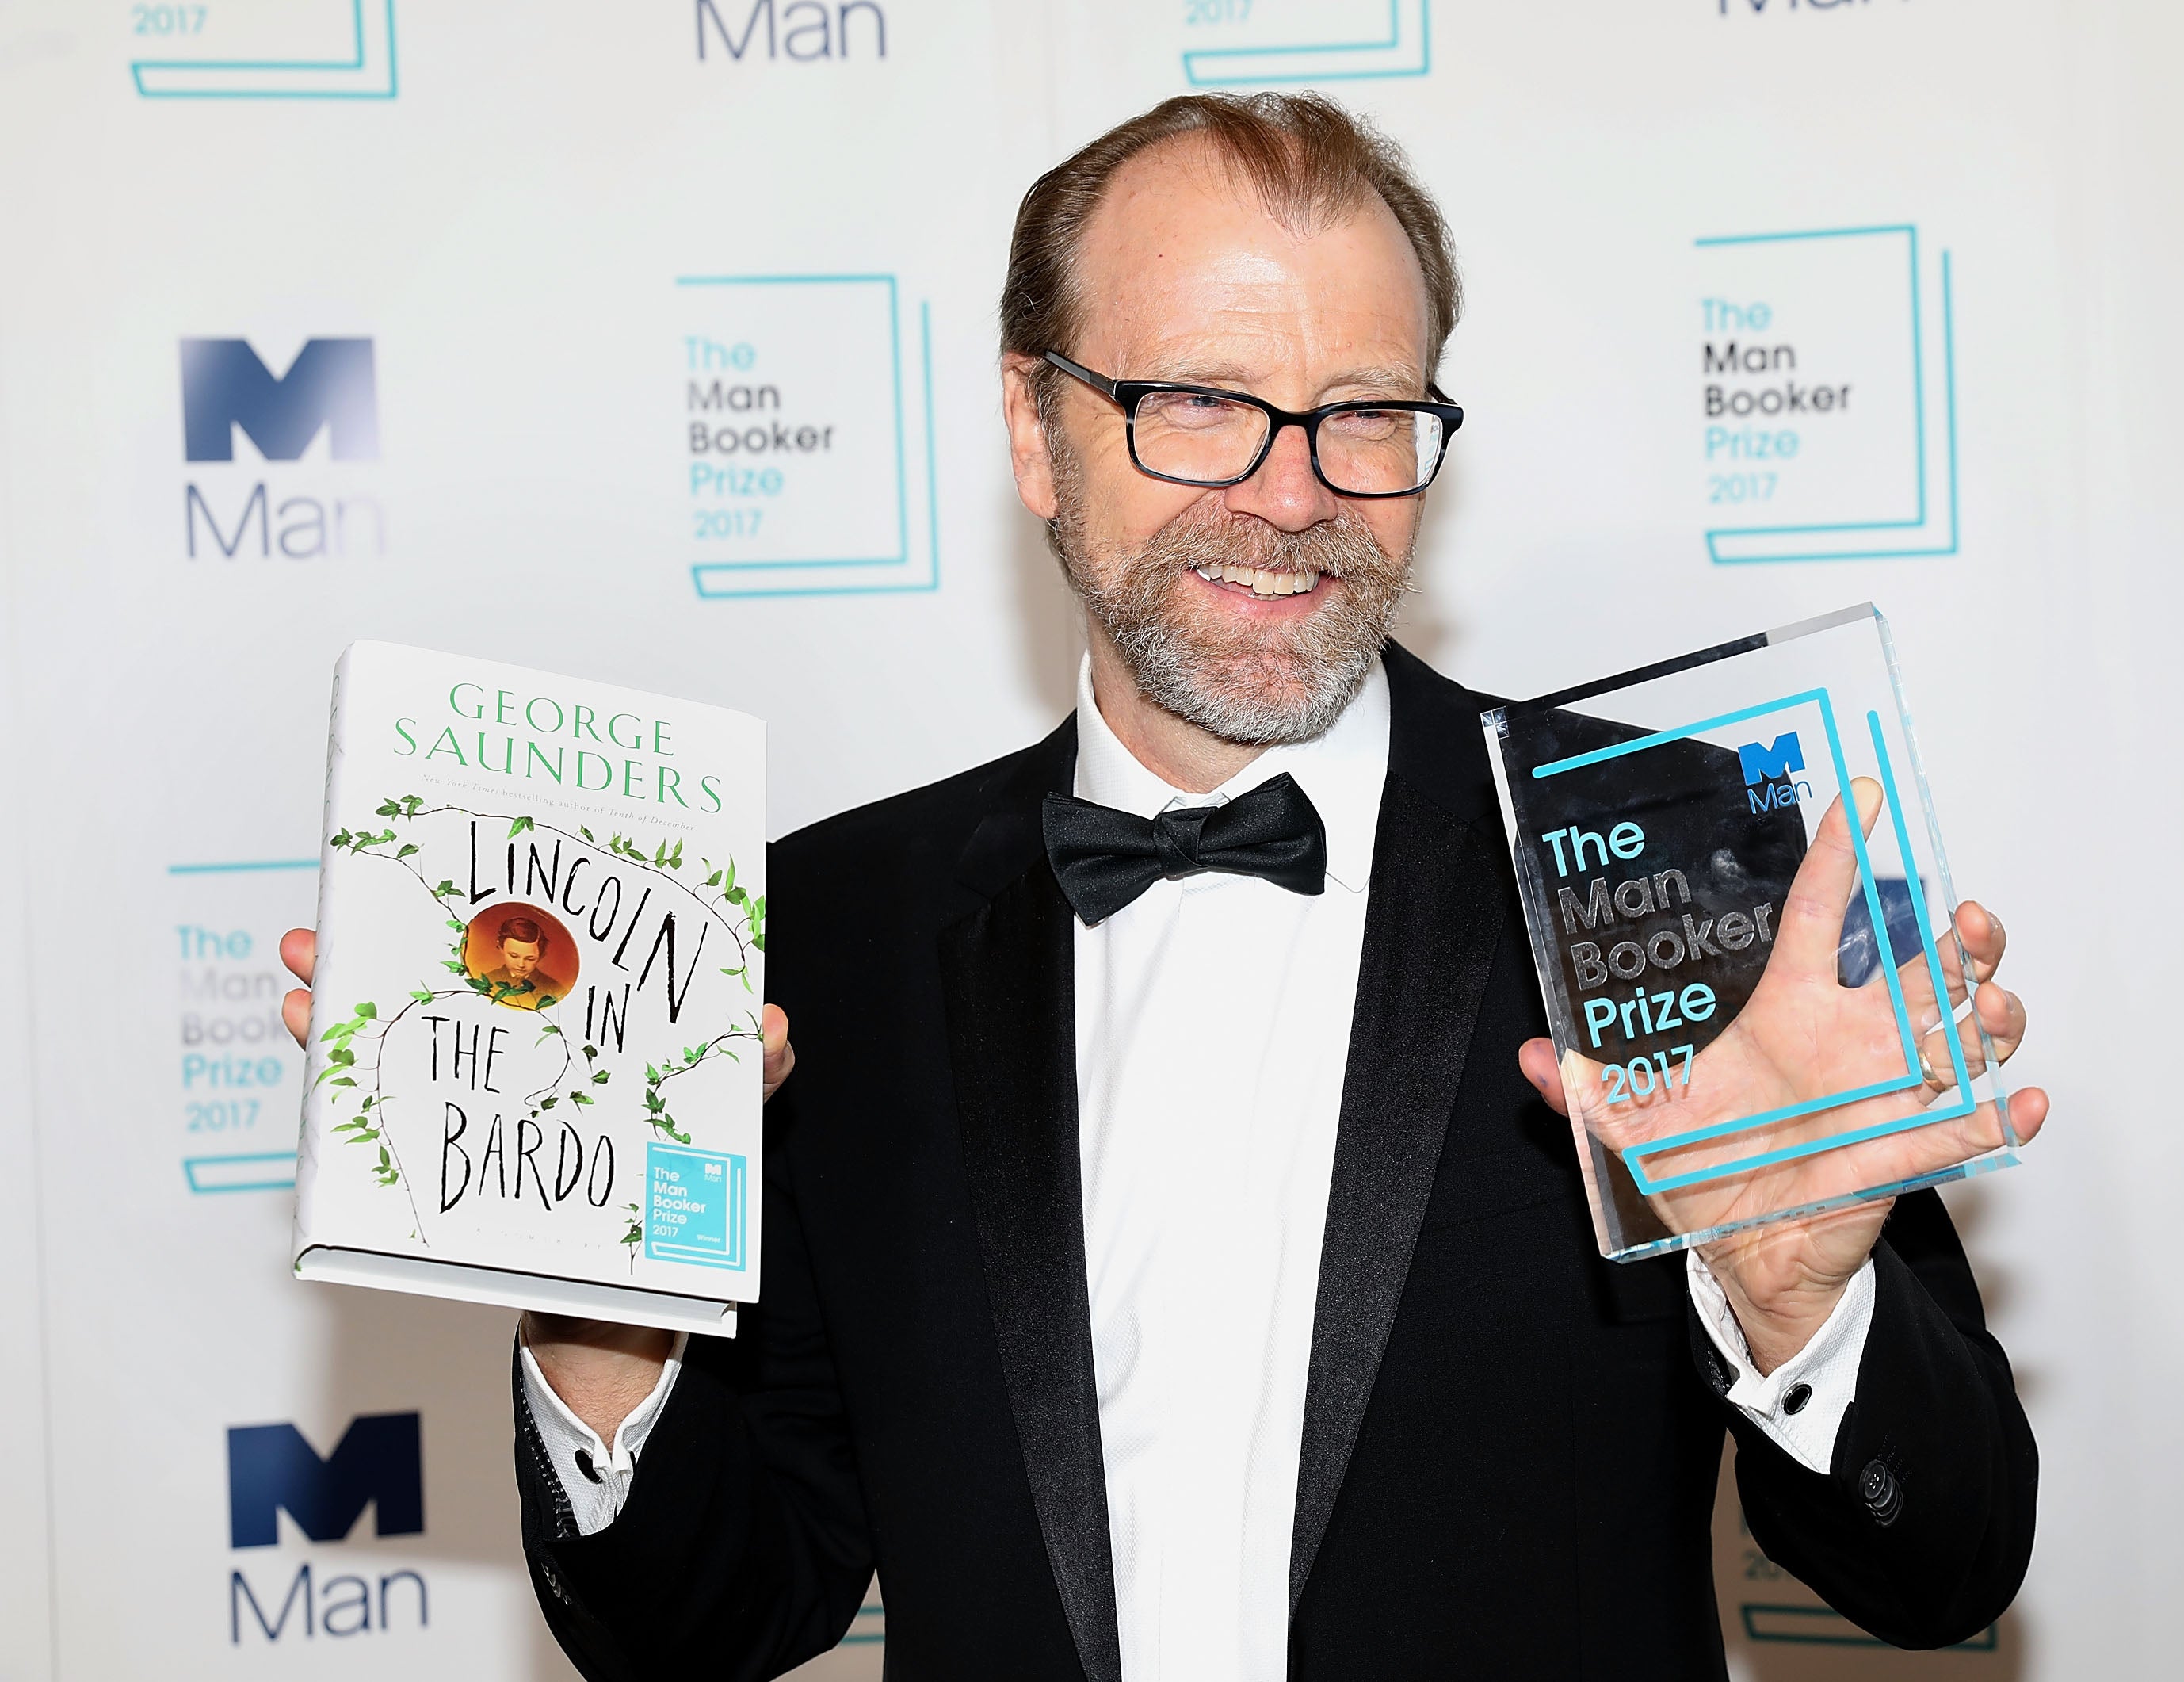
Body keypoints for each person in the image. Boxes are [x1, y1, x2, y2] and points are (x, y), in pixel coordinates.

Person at [280, 91, 2047, 1682]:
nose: (1292, 492)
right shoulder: (818, 931)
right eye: (1199, 403)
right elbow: (713, 1617)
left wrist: (1804, 1303)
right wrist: (602, 1298)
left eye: (1362, 412)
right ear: (1036, 431)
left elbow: (1946, 1560)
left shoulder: (1669, 853)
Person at [481, 914, 564, 1009]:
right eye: (514, 956)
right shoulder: (486, 982)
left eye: (530, 959)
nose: (521, 965)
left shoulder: (555, 989)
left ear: (541, 956)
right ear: (501, 948)